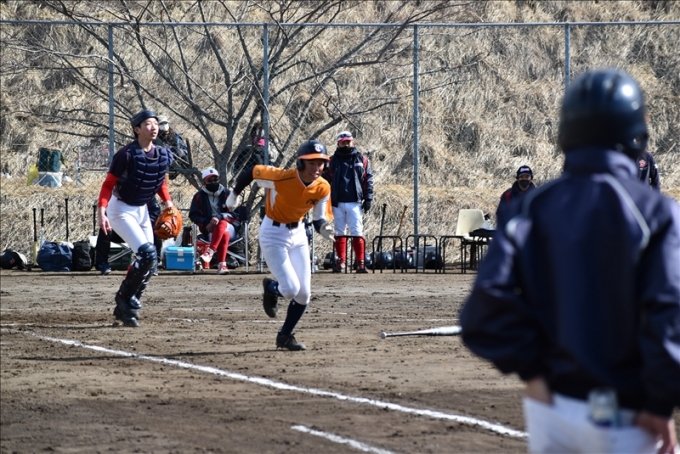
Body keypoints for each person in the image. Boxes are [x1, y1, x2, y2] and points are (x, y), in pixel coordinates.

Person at [460, 68, 680, 454]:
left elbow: (482, 312)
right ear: (635, 133)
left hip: (552, 408)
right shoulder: (656, 212)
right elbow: (669, 316)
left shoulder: (531, 206)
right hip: (630, 410)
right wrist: (660, 401)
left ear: (567, 132)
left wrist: (533, 372)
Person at [227, 140, 335, 351]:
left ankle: (285, 336)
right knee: (290, 289)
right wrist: (234, 194)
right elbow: (252, 171)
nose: (317, 168)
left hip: (298, 234)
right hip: (273, 234)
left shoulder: (323, 187)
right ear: (301, 163)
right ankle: (270, 287)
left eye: (321, 163)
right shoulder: (281, 177)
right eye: (311, 163)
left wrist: (323, 228)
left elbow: (318, 218)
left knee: (303, 294)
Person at [98, 109, 174, 328]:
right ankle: (124, 298)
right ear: (137, 129)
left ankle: (128, 303)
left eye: (155, 124)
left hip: (141, 209)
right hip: (120, 209)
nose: (153, 127)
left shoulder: (161, 154)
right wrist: (102, 212)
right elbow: (108, 184)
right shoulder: (126, 154)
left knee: (150, 261)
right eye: (148, 124)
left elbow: (157, 180)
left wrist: (168, 202)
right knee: (146, 253)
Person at [322, 131, 374, 273]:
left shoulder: (362, 159)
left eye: (348, 141)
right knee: (339, 232)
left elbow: (368, 179)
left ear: (353, 142)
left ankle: (360, 263)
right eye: (343, 142)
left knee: (357, 231)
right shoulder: (331, 161)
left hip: (355, 202)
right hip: (337, 202)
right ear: (338, 143)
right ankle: (341, 262)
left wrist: (368, 198)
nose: (346, 144)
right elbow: (324, 182)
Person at [189, 167, 240, 275]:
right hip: (210, 229)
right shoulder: (198, 197)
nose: (213, 182)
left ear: (219, 179)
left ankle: (210, 251)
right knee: (224, 234)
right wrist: (205, 223)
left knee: (222, 223)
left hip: (230, 227)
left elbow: (236, 215)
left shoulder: (227, 194)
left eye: (215, 180)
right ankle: (222, 266)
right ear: (204, 182)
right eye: (210, 180)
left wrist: (220, 216)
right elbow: (193, 215)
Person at [95, 197, 162, 276]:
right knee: (104, 231)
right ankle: (102, 263)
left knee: (156, 231)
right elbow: (109, 214)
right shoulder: (117, 197)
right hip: (120, 230)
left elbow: (155, 214)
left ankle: (153, 263)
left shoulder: (147, 196)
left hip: (141, 233)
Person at [155, 115, 189, 179]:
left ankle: (189, 174)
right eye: (161, 124)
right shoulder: (155, 138)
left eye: (165, 123)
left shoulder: (175, 136)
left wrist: (179, 151)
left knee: (180, 151)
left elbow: (185, 150)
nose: (164, 125)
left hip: (178, 161)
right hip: (163, 164)